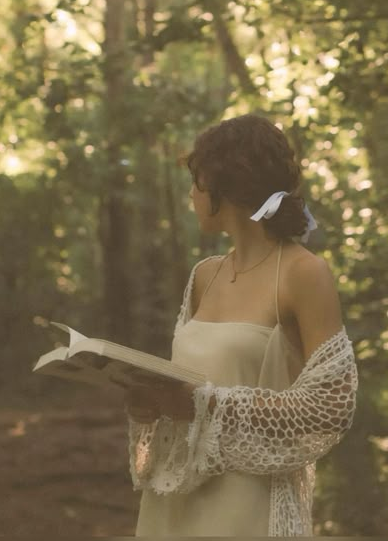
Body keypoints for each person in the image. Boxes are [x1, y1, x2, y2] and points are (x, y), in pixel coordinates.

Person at [124, 113, 358, 536]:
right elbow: (188, 390)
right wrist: (151, 407)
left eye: (197, 183)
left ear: (224, 186)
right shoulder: (203, 275)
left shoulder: (303, 273)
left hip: (246, 504)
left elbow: (331, 405)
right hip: (174, 497)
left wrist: (209, 402)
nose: (192, 195)